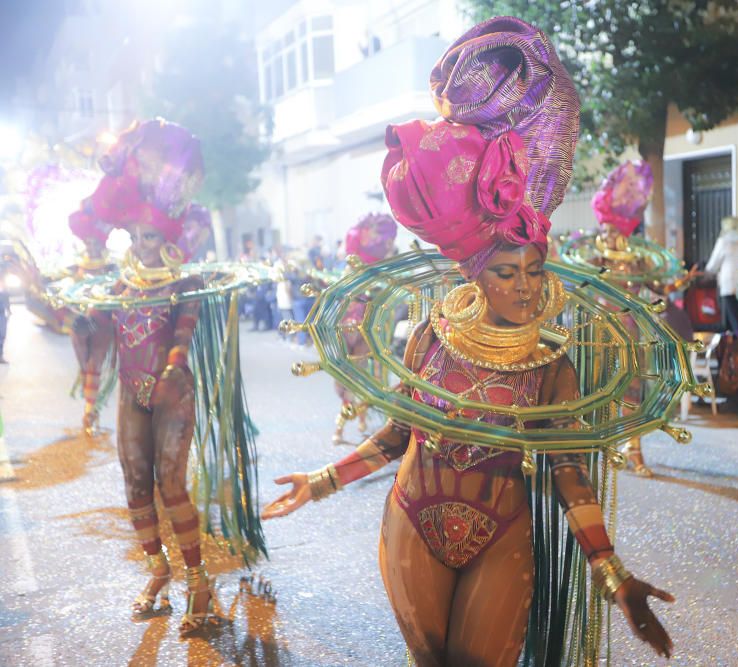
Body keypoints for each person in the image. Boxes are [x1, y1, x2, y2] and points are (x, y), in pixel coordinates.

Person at [263, 18, 673, 664]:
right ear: (476, 276)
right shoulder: (434, 333)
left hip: (500, 533)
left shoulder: (551, 364)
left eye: (535, 270)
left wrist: (612, 571)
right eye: (509, 273)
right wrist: (321, 480)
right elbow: (396, 435)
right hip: (412, 519)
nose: (527, 286)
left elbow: (570, 475)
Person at [78, 120, 265, 635]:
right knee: (136, 486)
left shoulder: (182, 279)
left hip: (172, 393)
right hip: (132, 394)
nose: (140, 244)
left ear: (169, 237)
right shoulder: (120, 282)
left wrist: (174, 363)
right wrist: (86, 323)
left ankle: (198, 580)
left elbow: (183, 335)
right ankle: (159, 572)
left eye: (150, 236)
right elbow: (100, 336)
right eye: (135, 236)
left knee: (170, 485)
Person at [586, 159, 695, 476]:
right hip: (600, 334)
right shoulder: (592, 260)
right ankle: (605, 446)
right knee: (600, 392)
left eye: (616, 233)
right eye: (607, 232)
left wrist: (681, 282)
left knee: (632, 391)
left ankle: (634, 450)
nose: (612, 237)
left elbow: (658, 285)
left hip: (631, 335)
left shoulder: (634, 261)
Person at [332, 212, 397, 442]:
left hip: (362, 315)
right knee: (350, 371)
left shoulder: (360, 240)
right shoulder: (358, 240)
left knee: (358, 370)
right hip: (353, 315)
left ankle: (354, 418)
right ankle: (350, 419)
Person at [65, 208, 117, 434]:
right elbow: (68, 297)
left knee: (94, 365)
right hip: (79, 325)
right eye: (88, 241)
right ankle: (91, 408)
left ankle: (90, 410)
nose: (91, 245)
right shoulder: (76, 268)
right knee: (85, 366)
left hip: (103, 322)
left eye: (95, 241)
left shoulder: (112, 268)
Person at [705, 215, 738, 342]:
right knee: (736, 318)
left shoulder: (725, 241)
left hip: (728, 283)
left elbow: (713, 263)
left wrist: (707, 271)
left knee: (734, 321)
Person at [0, 284, 9, 363]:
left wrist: (9, 310)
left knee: (2, 335)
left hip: (1, 314)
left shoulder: (2, 287)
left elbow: (6, 299)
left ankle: (0, 356)